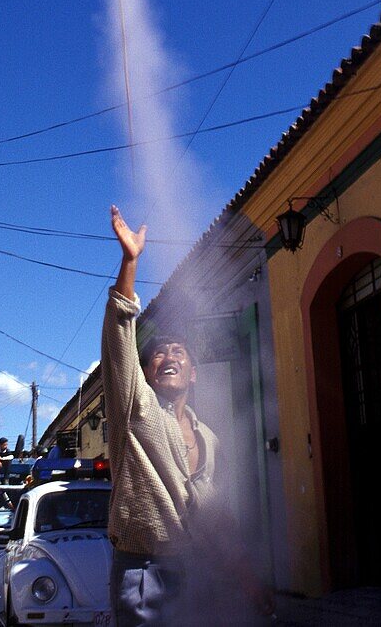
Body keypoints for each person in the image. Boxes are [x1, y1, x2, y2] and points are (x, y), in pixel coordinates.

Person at [102, 205, 274, 626]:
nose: (169, 356)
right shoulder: (134, 405)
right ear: (145, 372)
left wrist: (249, 580)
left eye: (179, 351)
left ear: (193, 374)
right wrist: (130, 262)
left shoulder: (208, 438)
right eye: (159, 352)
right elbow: (119, 331)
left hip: (192, 570)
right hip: (141, 570)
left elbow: (214, 516)